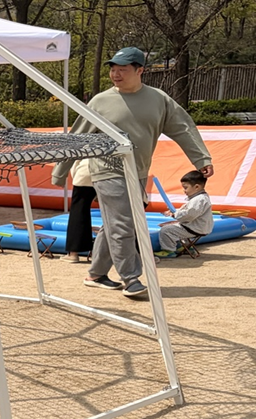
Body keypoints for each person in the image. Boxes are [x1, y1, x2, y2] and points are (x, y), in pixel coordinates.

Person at [51, 47, 213, 300]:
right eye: (113, 69)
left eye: (122, 70)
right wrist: (59, 172)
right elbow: (78, 137)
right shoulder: (100, 101)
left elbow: (183, 128)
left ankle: (96, 274)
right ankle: (131, 278)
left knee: (114, 224)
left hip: (137, 172)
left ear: (140, 70)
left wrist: (201, 158)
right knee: (124, 223)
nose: (115, 74)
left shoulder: (159, 100)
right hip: (106, 170)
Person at [156, 169, 213, 256]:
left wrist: (175, 214)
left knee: (166, 230)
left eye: (185, 187)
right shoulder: (199, 198)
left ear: (197, 187)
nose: (184, 190)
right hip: (197, 227)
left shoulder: (199, 199)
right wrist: (174, 212)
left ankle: (168, 250)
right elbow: (188, 211)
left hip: (195, 228)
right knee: (174, 226)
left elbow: (190, 214)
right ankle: (183, 246)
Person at [63, 157, 97, 263]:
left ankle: (73, 252)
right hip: (109, 174)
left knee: (78, 212)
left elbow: (75, 159)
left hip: (85, 172)